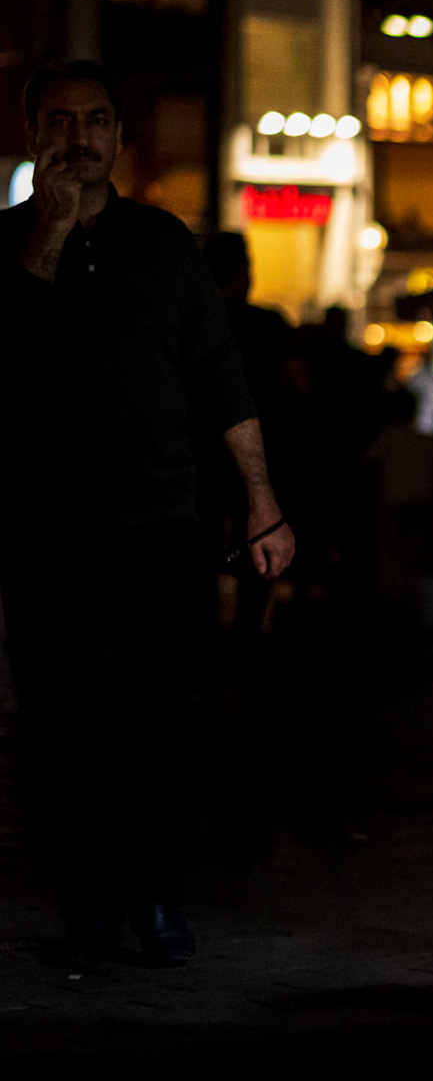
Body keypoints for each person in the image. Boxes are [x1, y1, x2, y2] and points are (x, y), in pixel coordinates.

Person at [0, 60, 296, 968]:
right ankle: (89, 905)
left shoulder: (164, 245)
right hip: (43, 533)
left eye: (95, 120)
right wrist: (47, 234)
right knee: (62, 731)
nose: (78, 137)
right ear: (32, 136)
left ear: (120, 138)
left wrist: (261, 498)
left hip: (160, 525)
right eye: (59, 121)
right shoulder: (8, 246)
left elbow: (220, 377)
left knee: (166, 723)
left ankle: (160, 896)